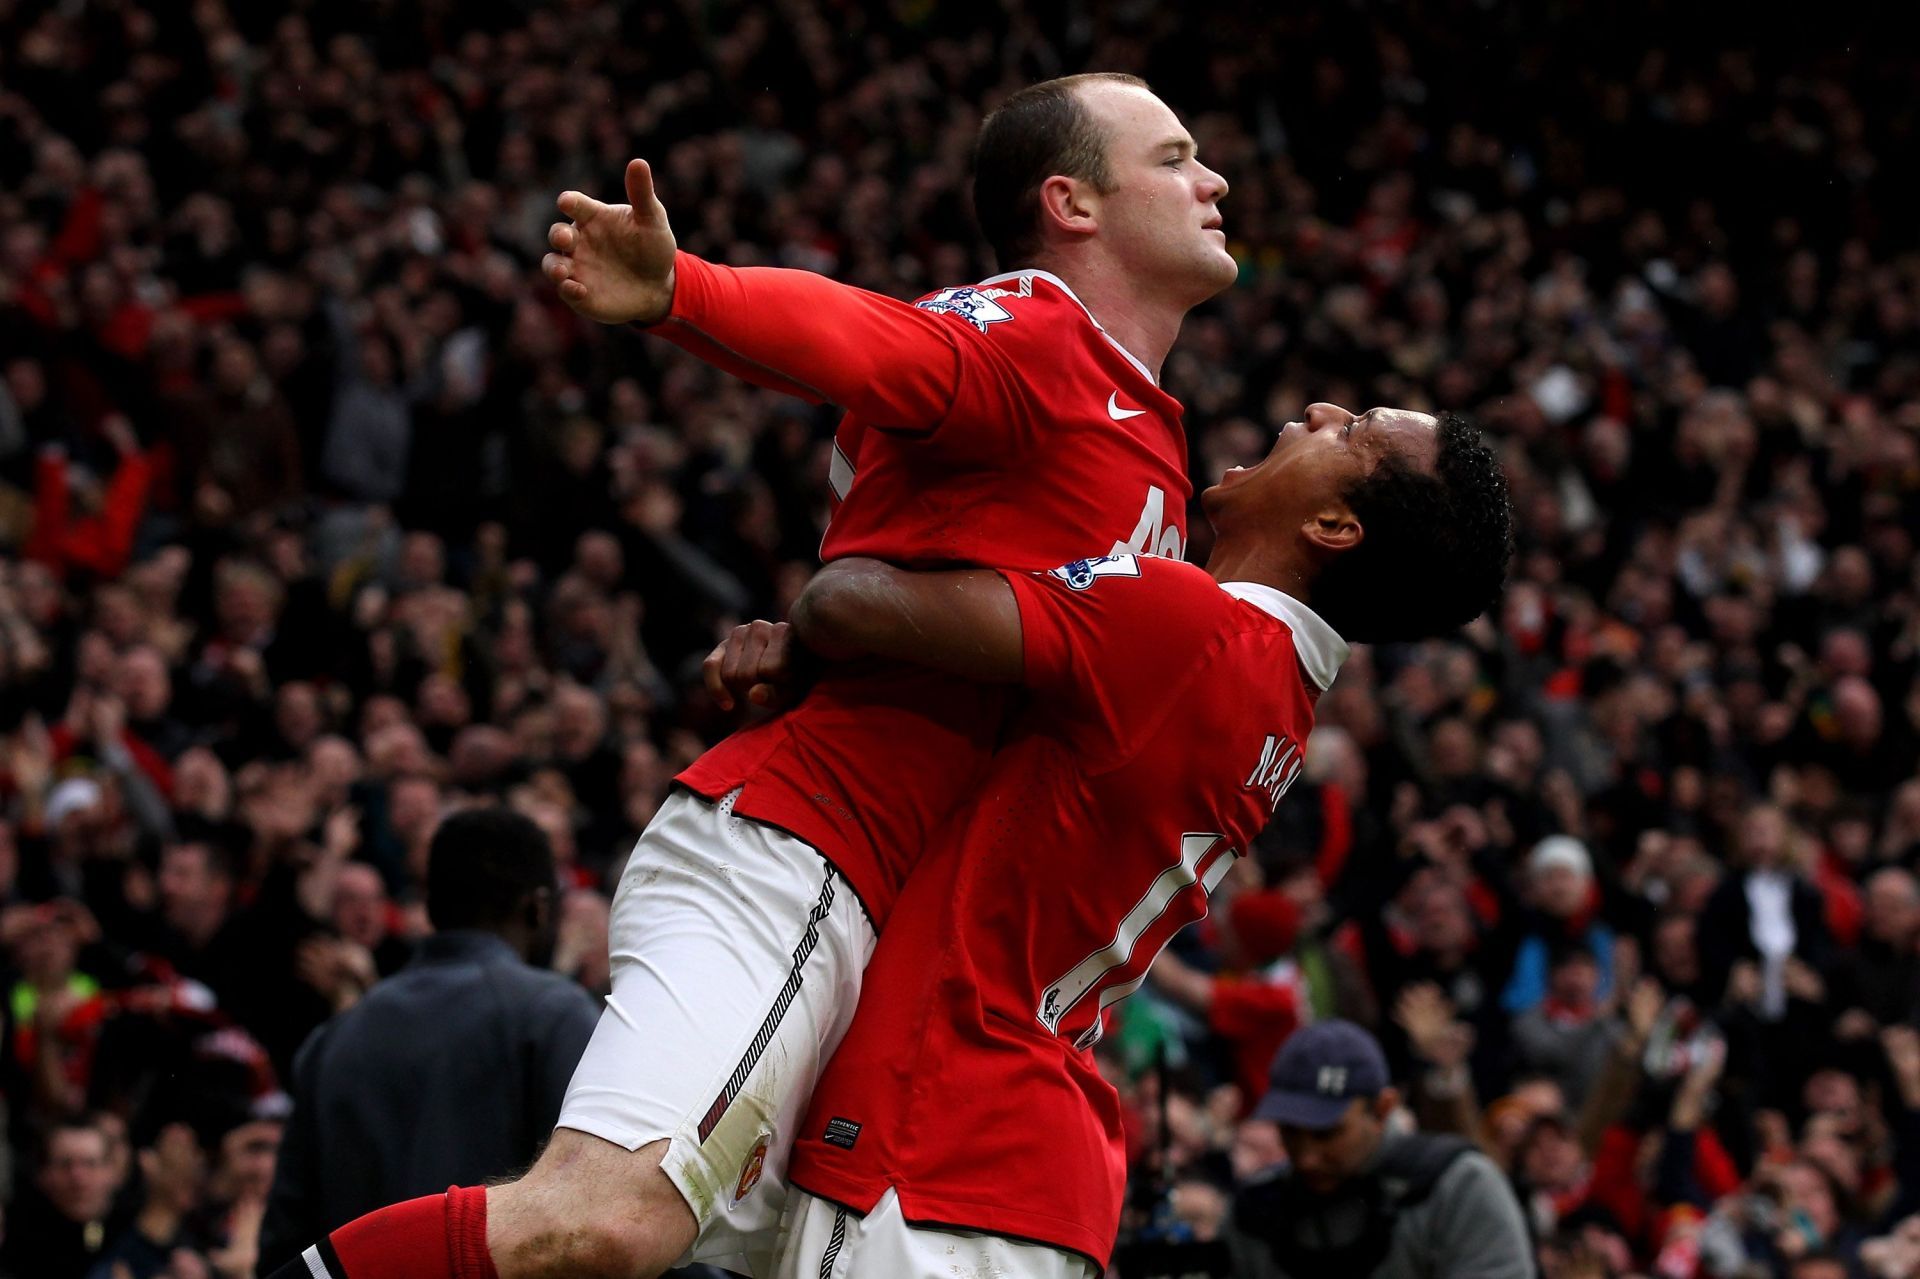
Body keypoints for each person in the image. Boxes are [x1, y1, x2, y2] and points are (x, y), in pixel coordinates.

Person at [272, 72, 1236, 1279]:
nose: (1215, 180)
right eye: (1176, 156)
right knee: (602, 1220)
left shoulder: (1145, 429)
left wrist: (822, 626)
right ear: (1072, 202)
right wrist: (684, 292)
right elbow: (877, 341)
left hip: (883, 927)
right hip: (807, 854)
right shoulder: (1036, 329)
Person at [731, 402, 1511, 1277]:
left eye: (1353, 430)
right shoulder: (1277, 698)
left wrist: (813, 637)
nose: (1319, 411)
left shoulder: (1187, 624)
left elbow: (843, 604)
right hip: (1033, 1172)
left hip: (934, 1138)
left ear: (1334, 526)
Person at [257, 809, 599, 1273]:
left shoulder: (332, 1040)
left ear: (433, 906)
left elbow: (288, 1250)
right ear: (538, 908)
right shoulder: (556, 1015)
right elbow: (608, 1213)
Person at [1225, 1021, 1533, 1279]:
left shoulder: (1456, 1186)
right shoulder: (1257, 1211)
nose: (1306, 1158)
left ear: (1382, 1109)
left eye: (1327, 1133)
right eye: (1290, 1132)